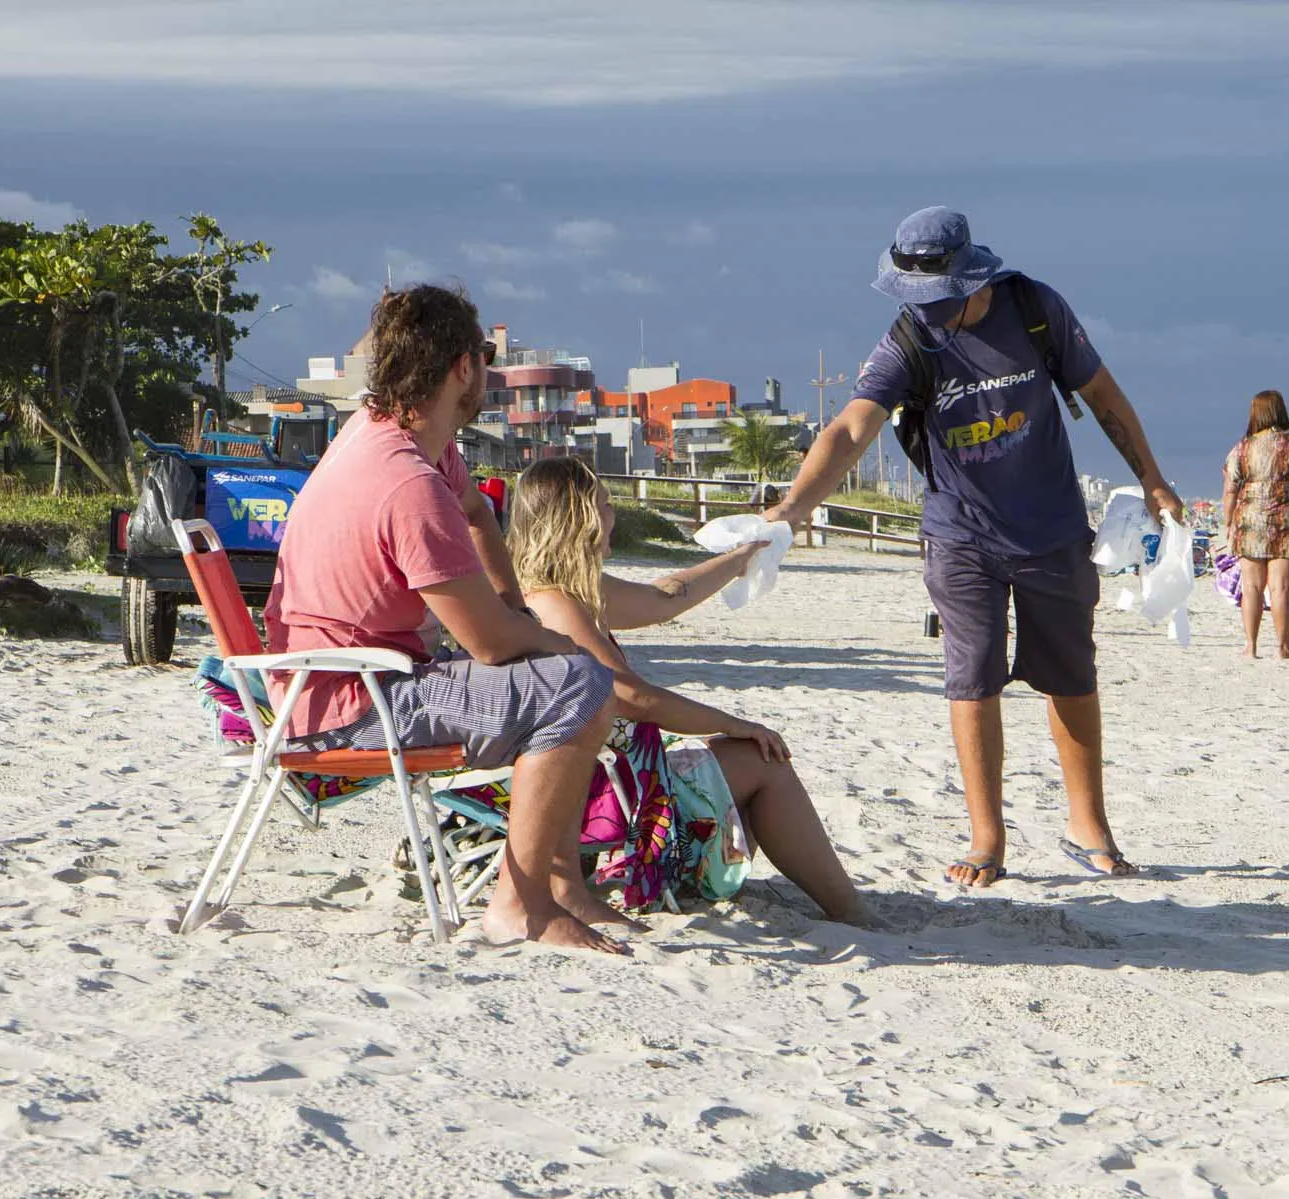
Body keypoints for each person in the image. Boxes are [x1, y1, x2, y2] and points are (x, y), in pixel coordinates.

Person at [764, 206, 1184, 888]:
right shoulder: (908, 339)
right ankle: (987, 837)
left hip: (1051, 526)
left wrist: (1153, 480)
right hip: (959, 534)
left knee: (1070, 676)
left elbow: (1102, 392)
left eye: (938, 297)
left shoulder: (1034, 309)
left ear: (972, 276)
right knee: (972, 677)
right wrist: (790, 509)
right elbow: (850, 429)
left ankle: (1088, 825)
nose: (925, 309)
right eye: (913, 298)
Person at [263, 284, 624, 954]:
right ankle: (520, 905)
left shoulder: (384, 434)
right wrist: (554, 640)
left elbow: (481, 514)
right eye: (484, 356)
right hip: (354, 702)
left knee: (567, 677)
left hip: (317, 686)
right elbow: (488, 644)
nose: (486, 370)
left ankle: (564, 886)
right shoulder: (407, 483)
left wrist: (516, 605)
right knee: (583, 684)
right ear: (463, 366)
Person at [507, 458, 862, 922]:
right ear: (579, 519)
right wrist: (734, 723)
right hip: (597, 789)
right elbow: (632, 697)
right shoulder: (555, 603)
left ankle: (723, 880)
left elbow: (664, 597)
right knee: (762, 759)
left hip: (602, 772)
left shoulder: (564, 590)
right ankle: (851, 910)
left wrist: (740, 559)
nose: (613, 515)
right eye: (606, 505)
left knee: (739, 756)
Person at [1220, 391, 1289, 660]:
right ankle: (1282, 648)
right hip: (1286, 522)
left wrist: (1228, 522)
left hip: (1250, 521)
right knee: (1281, 588)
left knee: (1251, 587)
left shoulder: (1242, 448)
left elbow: (1230, 489)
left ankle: (1250, 647)